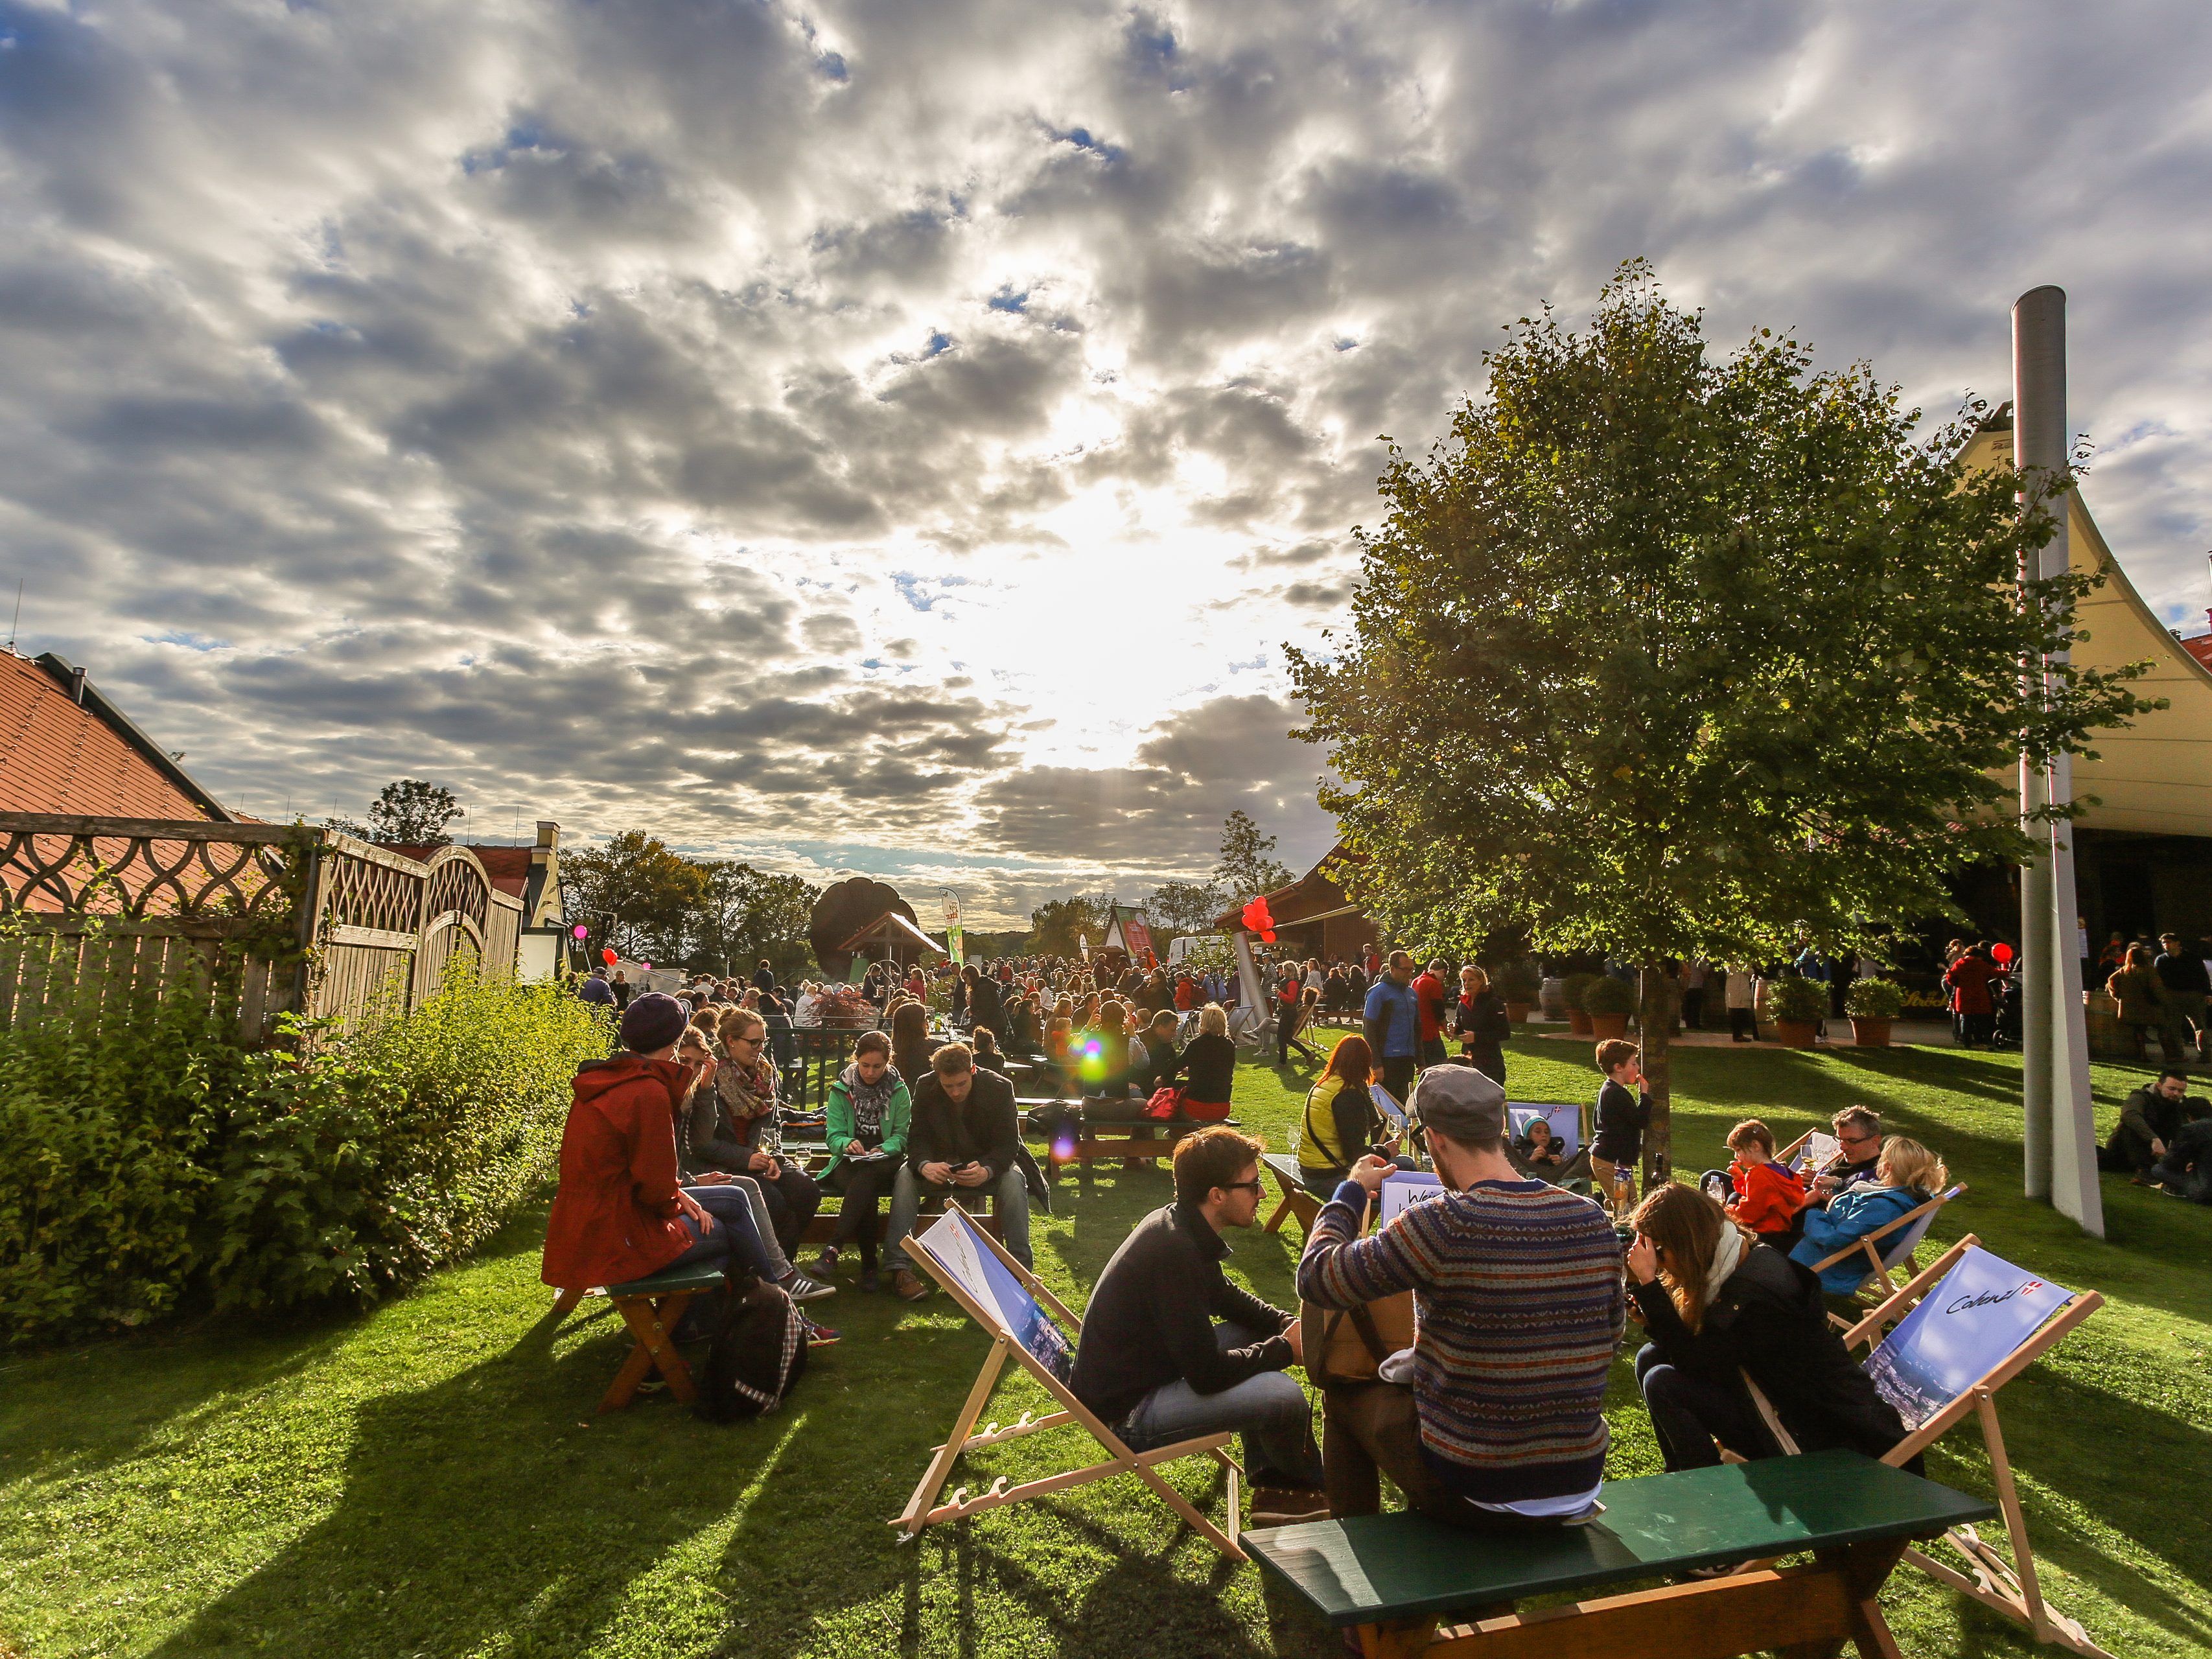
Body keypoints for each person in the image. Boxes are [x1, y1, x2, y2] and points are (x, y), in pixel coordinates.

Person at [1298, 1065, 1625, 1528]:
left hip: (1476, 1486)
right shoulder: (1589, 1217)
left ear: (1434, 1140)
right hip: (1577, 1479)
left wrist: (1351, 1191)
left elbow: (1317, 1278)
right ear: (1499, 1130)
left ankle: (1360, 1558)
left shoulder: (1443, 1222)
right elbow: (1610, 1340)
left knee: (1343, 1389)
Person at [1068, 1126, 1327, 1528]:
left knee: (1259, 1342)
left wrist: (1282, 1325)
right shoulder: (1175, 1252)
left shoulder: (1179, 1224)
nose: (1262, 1194)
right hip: (1130, 1411)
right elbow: (1207, 1375)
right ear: (1217, 1195)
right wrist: (1283, 1349)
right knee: (1284, 1396)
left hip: (1150, 1372)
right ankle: (1292, 1492)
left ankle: (1272, 1486)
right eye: (1254, 1185)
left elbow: (1225, 1296)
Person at [1627, 1183, 1914, 1472]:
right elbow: (1710, 1352)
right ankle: (1678, 1472)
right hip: (1770, 1396)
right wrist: (1655, 1314)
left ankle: (1699, 1487)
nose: (1660, 1266)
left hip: (1816, 1437)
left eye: (1660, 1253)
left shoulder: (1753, 1295)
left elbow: (1700, 1363)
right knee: (1651, 1356)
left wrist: (1650, 1287)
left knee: (1662, 1382)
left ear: (1685, 1243)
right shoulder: (1741, 1256)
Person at [541, 993, 789, 1297]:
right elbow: (654, 1186)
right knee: (726, 1230)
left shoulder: (604, 1081)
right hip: (619, 1236)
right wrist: (675, 1197)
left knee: (736, 1197)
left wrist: (676, 1192)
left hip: (585, 1225)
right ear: (673, 1041)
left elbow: (640, 1174)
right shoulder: (648, 1091)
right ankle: (774, 1303)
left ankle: (748, 1304)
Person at [883, 1043, 1032, 1299]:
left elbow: (1009, 1143)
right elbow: (916, 1138)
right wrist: (924, 1165)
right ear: (938, 1078)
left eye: (961, 1084)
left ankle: (1018, 1270)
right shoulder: (925, 1085)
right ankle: (899, 1268)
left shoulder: (998, 1087)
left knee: (1014, 1179)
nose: (955, 1092)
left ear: (973, 1071)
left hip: (986, 1163)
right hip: (940, 1165)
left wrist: (988, 1169)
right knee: (906, 1176)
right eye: (948, 1086)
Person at [813, 1032, 912, 1294]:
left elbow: (902, 1137)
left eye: (877, 1066)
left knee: (867, 1178)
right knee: (864, 1187)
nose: (870, 1072)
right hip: (849, 1163)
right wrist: (846, 1143)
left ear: (888, 1063)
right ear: (855, 1060)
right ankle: (868, 1266)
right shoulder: (841, 1089)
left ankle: (834, 1248)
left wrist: (884, 1147)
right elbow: (832, 1136)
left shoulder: (899, 1091)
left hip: (885, 1163)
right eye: (865, 1065)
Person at [1791, 1137, 1948, 1295]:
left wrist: (1814, 1214)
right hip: (1830, 1257)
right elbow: (1857, 1218)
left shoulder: (1885, 1207)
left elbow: (1833, 1239)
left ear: (1887, 1168)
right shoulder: (1905, 1197)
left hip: (1823, 1267)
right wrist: (1835, 1197)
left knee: (1773, 1238)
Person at [1298, 1034, 1393, 1198]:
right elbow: (1354, 1154)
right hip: (1328, 1175)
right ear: (1365, 1064)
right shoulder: (1348, 1094)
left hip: (1311, 1169)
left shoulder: (1325, 1083)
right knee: (1404, 1171)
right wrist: (1385, 1152)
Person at [2097, 1068, 2208, 1178]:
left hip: (2160, 1153)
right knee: (2131, 1126)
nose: (2176, 1094)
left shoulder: (2181, 1105)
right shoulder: (2142, 1097)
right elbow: (2130, 1115)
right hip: (2127, 1151)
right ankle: (2144, 1168)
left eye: (2180, 1091)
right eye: (2172, 1089)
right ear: (2159, 1086)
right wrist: (2153, 1139)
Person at [1719, 1119, 1805, 1247]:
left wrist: (1724, 1211)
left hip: (1762, 1233)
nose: (1736, 1156)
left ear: (1755, 1146)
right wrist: (1739, 1178)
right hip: (1779, 1232)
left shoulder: (1759, 1174)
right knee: (1735, 1198)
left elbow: (1749, 1214)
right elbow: (1758, 1195)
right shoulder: (1781, 1171)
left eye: (1738, 1150)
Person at [1590, 1039, 1651, 1216]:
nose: (1638, 1067)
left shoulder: (1612, 1090)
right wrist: (1644, 1095)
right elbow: (1641, 1120)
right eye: (1633, 1063)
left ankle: (1614, 1231)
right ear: (1618, 1067)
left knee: (1623, 1204)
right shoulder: (1616, 1093)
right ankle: (1621, 1238)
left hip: (1614, 1162)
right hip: (1611, 1163)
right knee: (1627, 1208)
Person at [1362, 951, 1421, 1102]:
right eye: (1405, 970)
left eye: (1411, 970)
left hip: (1407, 1059)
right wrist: (1376, 1064)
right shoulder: (1378, 993)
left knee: (1405, 1105)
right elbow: (1369, 1029)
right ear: (1392, 968)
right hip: (1387, 1059)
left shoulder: (1412, 994)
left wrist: (1421, 1061)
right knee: (1387, 1107)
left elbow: (1417, 1029)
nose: (1409, 974)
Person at [1161, 1003, 1238, 1117]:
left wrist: (1162, 1078)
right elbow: (1218, 1071)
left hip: (1197, 1105)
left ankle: (1174, 1133)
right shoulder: (1229, 1045)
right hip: (1222, 1106)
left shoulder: (1196, 1045)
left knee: (1172, 1094)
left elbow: (1175, 1066)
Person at [2106, 945, 2177, 1063]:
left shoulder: (2125, 970)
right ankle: (2169, 1056)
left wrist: (2118, 996)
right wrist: (2165, 1001)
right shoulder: (2148, 970)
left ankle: (2142, 1055)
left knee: (2140, 1031)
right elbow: (2157, 988)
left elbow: (2111, 981)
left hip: (2132, 1008)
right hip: (2149, 1006)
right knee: (2163, 1028)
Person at [2154, 933, 2210, 1062]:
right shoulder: (2161, 960)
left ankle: (2205, 1054)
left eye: (2168, 942)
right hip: (2172, 995)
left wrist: (2208, 993)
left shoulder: (2192, 958)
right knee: (2174, 1026)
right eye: (2163, 943)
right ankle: (2178, 1054)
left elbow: (2203, 976)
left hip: (2193, 995)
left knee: (2200, 1025)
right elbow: (2158, 980)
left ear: (2177, 943)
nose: (2165, 945)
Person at [1451, 964, 1509, 1085]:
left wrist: (1476, 1037)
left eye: (1471, 980)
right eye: (1464, 980)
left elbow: (1504, 1033)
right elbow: (1460, 1028)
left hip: (1490, 1063)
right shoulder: (1463, 1003)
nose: (1467, 983)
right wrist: (1454, 1028)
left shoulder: (1493, 1003)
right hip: (1468, 1062)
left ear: (1481, 981)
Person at [1944, 944, 1998, 1049]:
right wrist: (2007, 973)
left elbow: (1950, 977)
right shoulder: (1981, 964)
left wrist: (1957, 984)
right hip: (1979, 994)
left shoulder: (1959, 964)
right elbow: (1995, 973)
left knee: (1965, 1019)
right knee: (1982, 1020)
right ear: (1978, 956)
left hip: (1963, 994)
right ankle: (1986, 1041)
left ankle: (1967, 1043)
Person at [2148, 1116, 2212, 1203]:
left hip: (2205, 1191)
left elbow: (2171, 1162)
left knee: (2157, 1169)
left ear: (2189, 1116)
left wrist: (2162, 1156)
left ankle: (2179, 1189)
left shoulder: (2195, 1129)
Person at [1412, 960, 1450, 1070]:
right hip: (1430, 1034)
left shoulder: (1416, 981)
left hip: (1418, 1033)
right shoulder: (1434, 983)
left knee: (1425, 1068)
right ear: (1443, 972)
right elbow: (1439, 1010)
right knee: (1441, 1067)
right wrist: (1446, 1030)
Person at [1725, 965, 1757, 1042]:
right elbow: (1748, 971)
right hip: (1739, 986)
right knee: (1738, 1010)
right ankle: (1738, 1035)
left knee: (1735, 1008)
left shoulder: (1728, 959)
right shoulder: (1740, 960)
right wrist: (1753, 970)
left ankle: (1738, 1034)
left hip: (1734, 986)